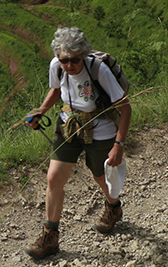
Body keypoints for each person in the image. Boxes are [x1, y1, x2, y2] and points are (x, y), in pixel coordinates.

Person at [23, 27, 132, 259]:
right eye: (64, 60)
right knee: (53, 178)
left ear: (83, 55)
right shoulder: (57, 66)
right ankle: (50, 236)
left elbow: (125, 108)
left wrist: (118, 145)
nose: (69, 65)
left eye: (74, 60)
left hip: (100, 129)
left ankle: (113, 207)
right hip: (68, 125)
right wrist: (40, 112)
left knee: (100, 176)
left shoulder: (98, 70)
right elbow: (56, 90)